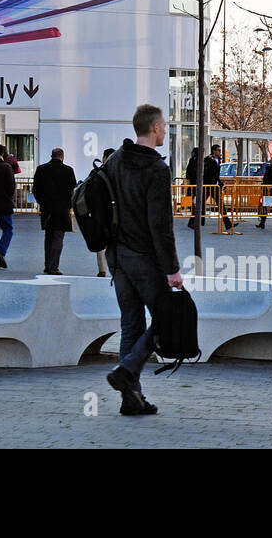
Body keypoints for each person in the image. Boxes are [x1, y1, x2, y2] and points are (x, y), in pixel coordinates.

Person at [103, 103, 180, 417]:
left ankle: (130, 399)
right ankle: (129, 368)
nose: (166, 129)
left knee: (131, 326)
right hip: (146, 260)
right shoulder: (157, 169)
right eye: (164, 125)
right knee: (167, 320)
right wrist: (172, 269)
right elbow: (160, 225)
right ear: (156, 127)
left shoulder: (115, 161)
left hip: (118, 258)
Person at [32, 147, 76, 274]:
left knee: (48, 237)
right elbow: (73, 189)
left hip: (47, 209)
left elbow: (36, 190)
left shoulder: (41, 169)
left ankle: (47, 264)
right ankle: (53, 266)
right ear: (62, 156)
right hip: (62, 209)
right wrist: (68, 205)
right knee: (58, 238)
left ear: (52, 156)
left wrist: (42, 202)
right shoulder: (68, 170)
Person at [95, 148, 116, 276]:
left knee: (101, 244)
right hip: (116, 215)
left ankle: (102, 269)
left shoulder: (97, 172)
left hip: (100, 214)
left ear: (104, 158)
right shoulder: (120, 173)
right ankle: (116, 269)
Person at [257, 155, 272, 229]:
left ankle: (262, 223)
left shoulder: (269, 168)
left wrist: (263, 186)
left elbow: (266, 179)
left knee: (265, 207)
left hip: (268, 192)